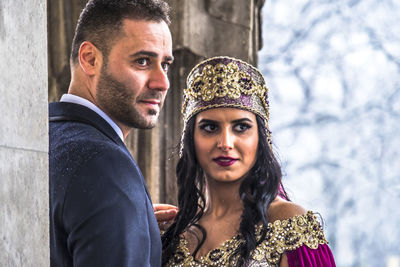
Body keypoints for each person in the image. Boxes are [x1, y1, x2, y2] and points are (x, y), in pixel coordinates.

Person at [161, 56, 336, 266]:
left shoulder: (289, 223)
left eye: (241, 127)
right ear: (190, 141)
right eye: (210, 128)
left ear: (261, 139)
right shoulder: (176, 234)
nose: (225, 143)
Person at [49, 0, 174, 266]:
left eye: (166, 65)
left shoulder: (42, 138)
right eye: (142, 61)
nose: (162, 82)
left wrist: (132, 224)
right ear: (90, 59)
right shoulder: (106, 166)